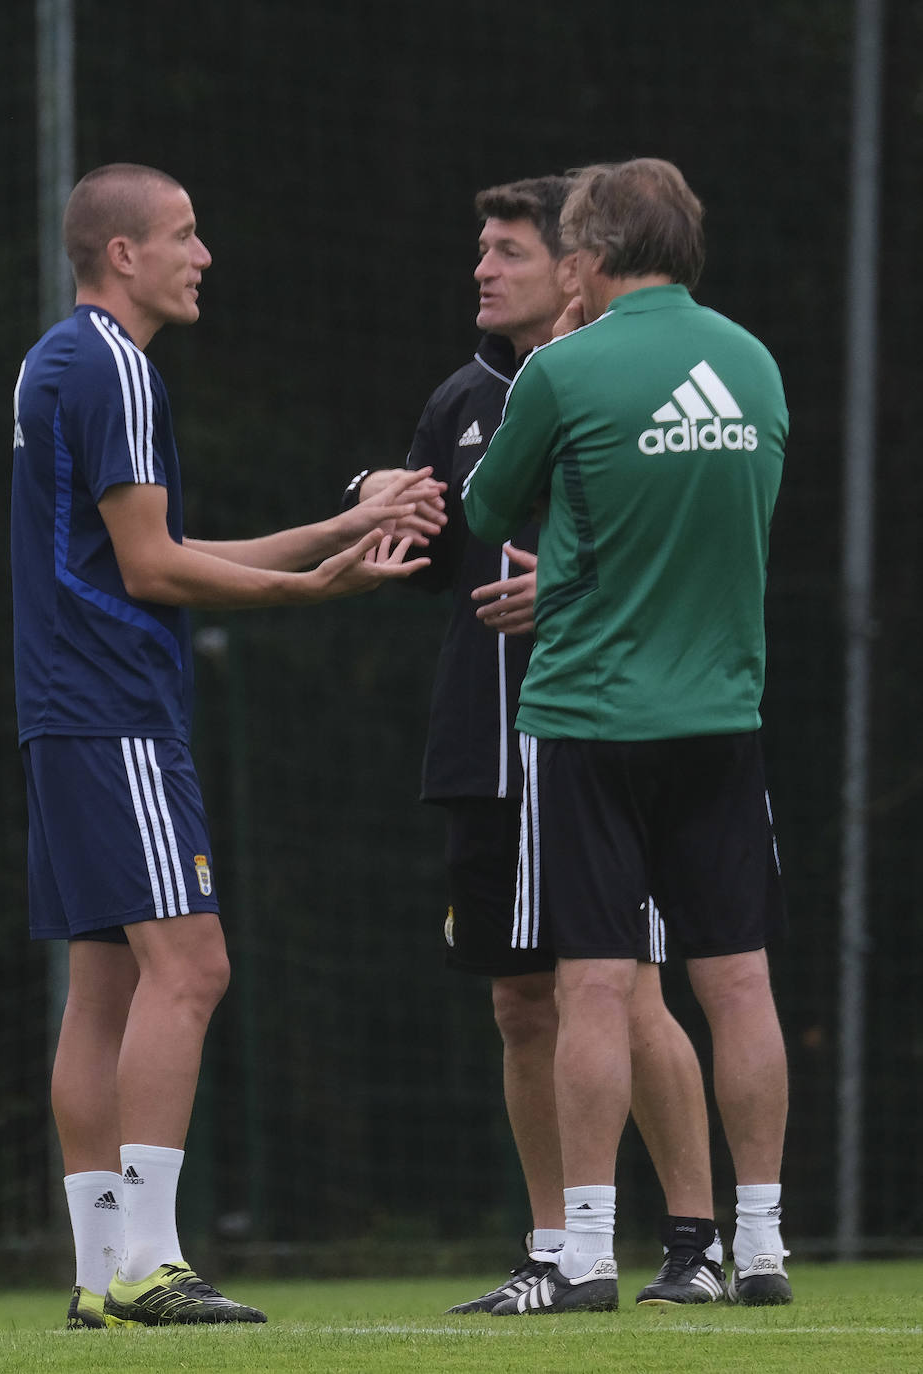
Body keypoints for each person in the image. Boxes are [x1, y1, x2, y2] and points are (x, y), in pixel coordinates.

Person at [10, 162, 442, 1330]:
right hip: (116, 713)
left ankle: (102, 1278)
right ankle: (151, 1263)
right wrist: (315, 591)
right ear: (122, 255)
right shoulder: (117, 367)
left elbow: (155, 545)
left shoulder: (63, 358)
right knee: (192, 970)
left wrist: (343, 525)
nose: (203, 256)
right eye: (185, 235)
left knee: (103, 987)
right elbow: (153, 571)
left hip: (66, 715)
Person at [345, 175, 722, 1313]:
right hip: (486, 744)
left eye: (505, 250)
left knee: (627, 989)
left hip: (610, 733)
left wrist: (573, 585)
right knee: (521, 1004)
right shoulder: (460, 398)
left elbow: (685, 549)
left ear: (572, 263)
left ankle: (698, 1243)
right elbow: (434, 561)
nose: (482, 270)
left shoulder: (639, 381)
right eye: (479, 250)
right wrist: (373, 503)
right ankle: (555, 1253)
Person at [463, 158, 792, 1313]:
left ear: (591, 258)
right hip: (721, 714)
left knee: (592, 986)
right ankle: (758, 1247)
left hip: (592, 717)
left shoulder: (562, 367)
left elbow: (485, 510)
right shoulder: (752, 364)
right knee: (738, 982)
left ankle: (586, 1251)